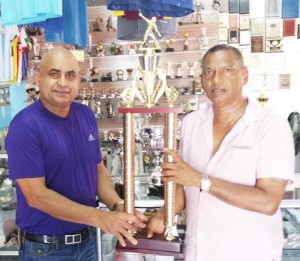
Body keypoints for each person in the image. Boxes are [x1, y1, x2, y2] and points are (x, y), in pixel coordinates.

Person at [147, 44, 295, 261]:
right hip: (199, 252)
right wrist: (165, 215)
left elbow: (268, 202)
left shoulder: (272, 127)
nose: (216, 80)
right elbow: (183, 183)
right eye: (208, 72)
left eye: (226, 70)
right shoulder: (191, 123)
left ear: (244, 75)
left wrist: (200, 179)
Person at [5, 47, 147, 261]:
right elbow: (37, 196)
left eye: (70, 75)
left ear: (78, 80)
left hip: (87, 241)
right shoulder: (25, 126)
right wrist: (102, 218)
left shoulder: (86, 115)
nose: (63, 82)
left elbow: (97, 171)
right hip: (47, 250)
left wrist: (118, 206)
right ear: (38, 78)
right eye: (54, 74)